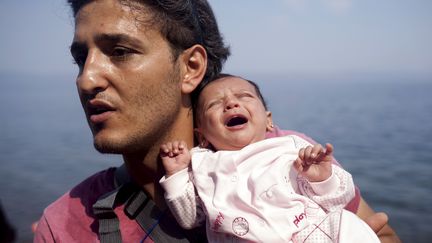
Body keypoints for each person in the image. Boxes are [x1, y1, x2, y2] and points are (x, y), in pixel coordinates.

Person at [34, 0, 400, 242]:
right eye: (81, 58)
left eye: (120, 52)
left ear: (191, 67)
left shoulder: (289, 155)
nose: (87, 78)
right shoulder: (65, 224)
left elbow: (382, 233)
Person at [159, 75, 379, 242]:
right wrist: (177, 174)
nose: (231, 104)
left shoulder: (291, 148)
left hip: (308, 235)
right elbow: (190, 218)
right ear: (202, 136)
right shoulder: (203, 166)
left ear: (268, 120)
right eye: (214, 104)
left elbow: (337, 201)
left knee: (347, 222)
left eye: (244, 96)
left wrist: (322, 179)